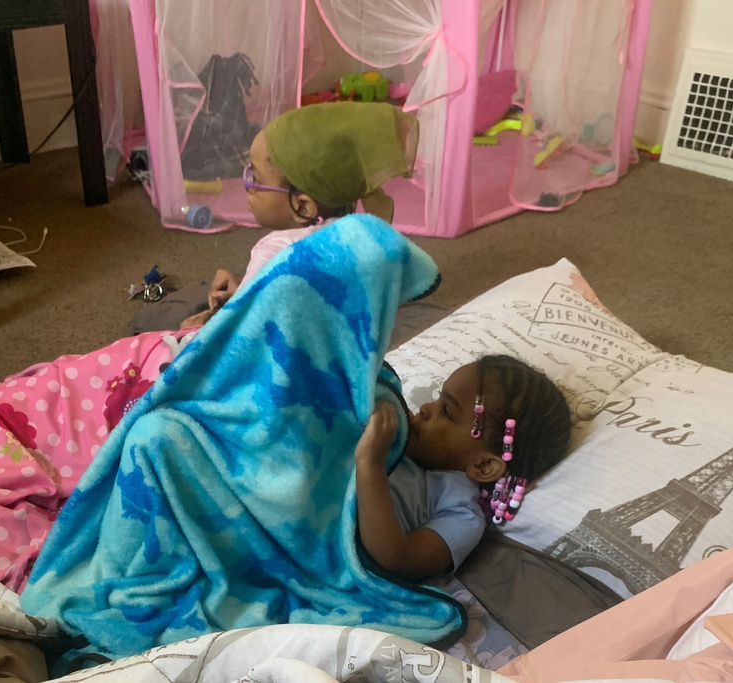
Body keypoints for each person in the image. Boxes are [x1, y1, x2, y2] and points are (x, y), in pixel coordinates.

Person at [181, 101, 419, 327]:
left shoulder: (273, 251)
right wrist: (246, 288)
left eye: (256, 179)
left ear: (303, 207)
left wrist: (195, 330)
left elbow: (241, 334)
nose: (248, 186)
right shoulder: (359, 234)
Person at [355, 355, 572, 581]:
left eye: (447, 411)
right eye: (438, 398)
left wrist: (371, 465)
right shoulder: (405, 442)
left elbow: (399, 557)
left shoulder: (463, 515)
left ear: (484, 466)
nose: (426, 408)